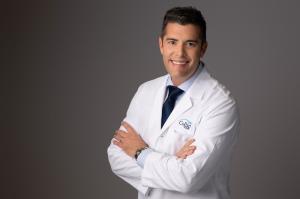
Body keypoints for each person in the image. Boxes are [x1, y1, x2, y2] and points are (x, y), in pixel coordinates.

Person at [107, 6, 240, 199]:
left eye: (190, 44)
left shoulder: (220, 104)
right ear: (161, 44)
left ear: (203, 48)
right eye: (172, 42)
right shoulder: (146, 91)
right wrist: (172, 162)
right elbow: (116, 157)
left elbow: (188, 178)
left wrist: (140, 152)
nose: (179, 53)